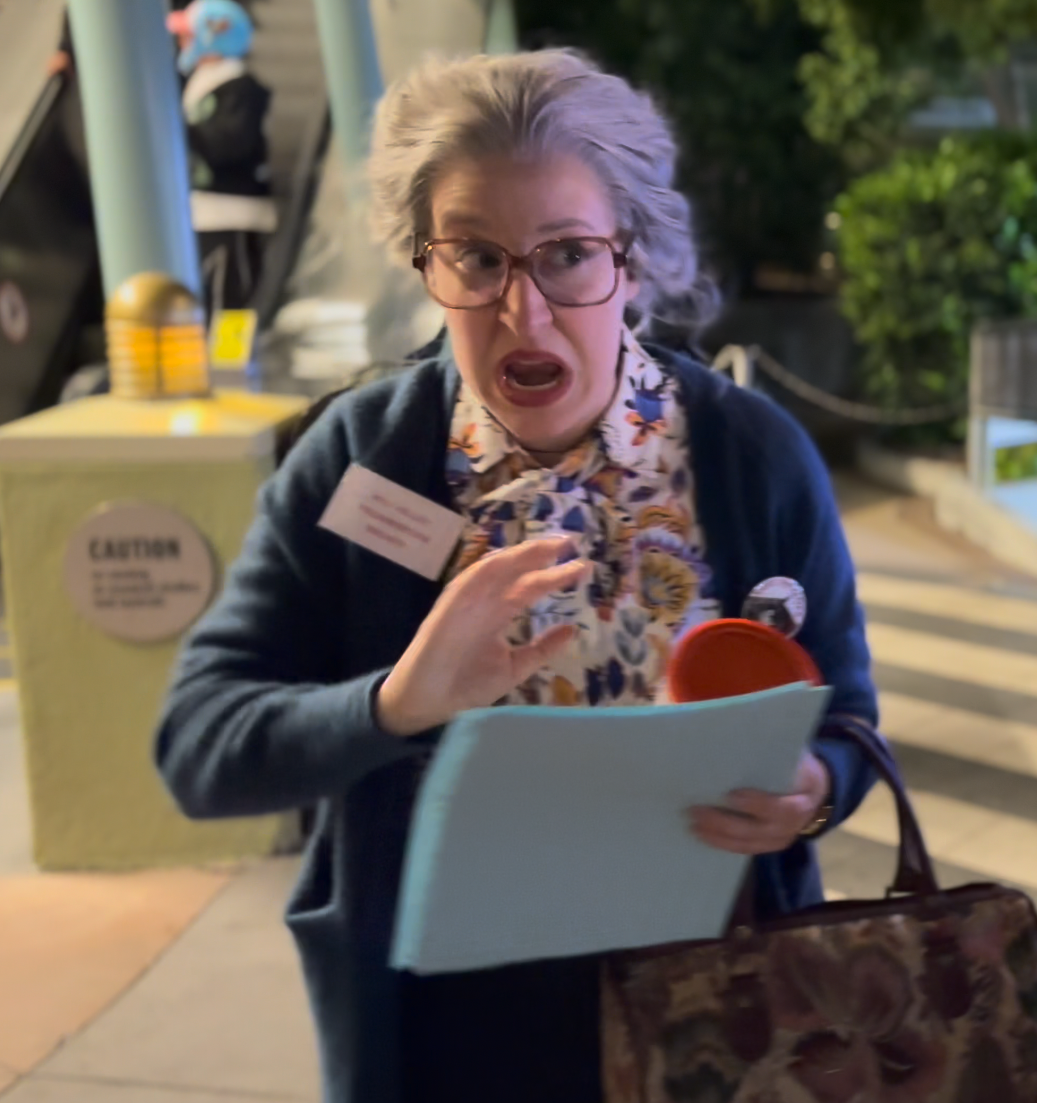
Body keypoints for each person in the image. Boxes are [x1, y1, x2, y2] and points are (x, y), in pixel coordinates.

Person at [154, 49, 879, 1103]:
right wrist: (398, 701)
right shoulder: (364, 458)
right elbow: (199, 746)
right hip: (450, 1026)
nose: (523, 313)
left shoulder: (751, 456)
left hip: (726, 1002)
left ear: (632, 258)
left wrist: (810, 787)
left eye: (569, 255)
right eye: (477, 258)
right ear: (424, 262)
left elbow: (848, 718)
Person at [166, 0, 275, 316]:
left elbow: (230, 144)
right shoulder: (199, 83)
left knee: (230, 300)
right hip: (205, 211)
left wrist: (184, 128)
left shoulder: (239, 88)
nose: (182, 43)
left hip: (232, 212)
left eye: (188, 35)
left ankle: (232, 363)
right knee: (211, 296)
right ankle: (218, 359)